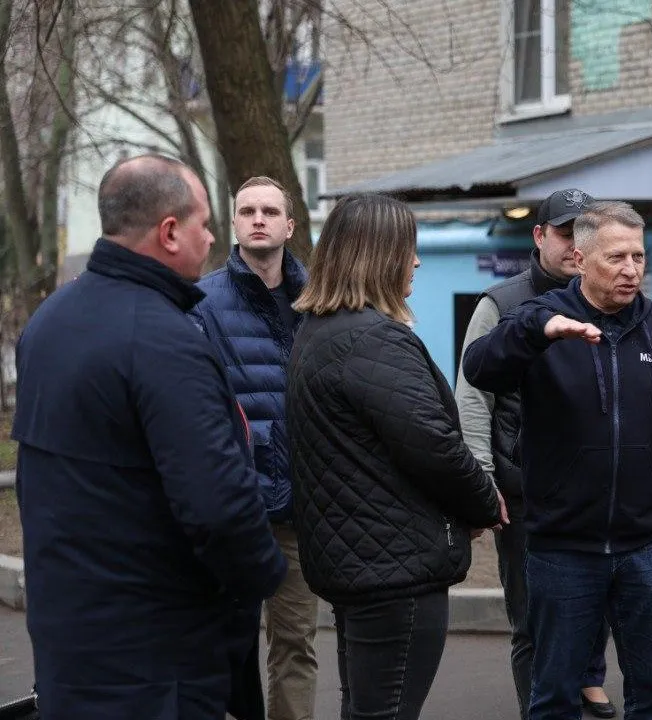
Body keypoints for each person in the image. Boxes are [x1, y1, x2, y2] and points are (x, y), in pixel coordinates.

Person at [11, 154, 287, 720]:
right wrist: (264, 573)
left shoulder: (49, 320)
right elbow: (217, 506)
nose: (212, 239)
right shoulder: (164, 341)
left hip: (71, 638)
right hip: (156, 658)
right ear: (168, 232)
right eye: (205, 224)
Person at [462, 200, 652, 720]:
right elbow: (479, 368)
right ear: (579, 258)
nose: (631, 270)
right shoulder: (536, 318)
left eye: (639, 257)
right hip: (562, 547)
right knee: (552, 696)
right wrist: (537, 333)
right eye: (616, 257)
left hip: (648, 544)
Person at [287, 192, 504, 720]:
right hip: (394, 569)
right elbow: (433, 446)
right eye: (409, 249)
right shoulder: (372, 340)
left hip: (358, 561)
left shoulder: (319, 331)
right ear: (379, 254)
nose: (417, 261)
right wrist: (483, 502)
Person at [455, 189, 617, 719]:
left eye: (585, 233)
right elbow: (474, 400)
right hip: (525, 491)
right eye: (567, 233)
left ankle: (587, 682)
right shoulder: (501, 304)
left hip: (598, 489)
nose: (577, 245)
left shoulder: (611, 298)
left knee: (596, 602)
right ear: (539, 236)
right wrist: (483, 482)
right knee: (532, 619)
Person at [192, 176, 318, 720]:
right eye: (248, 211)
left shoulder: (320, 298)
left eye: (270, 210)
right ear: (234, 224)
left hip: (299, 510)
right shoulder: (201, 302)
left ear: (290, 225)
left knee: (296, 645)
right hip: (234, 509)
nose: (259, 219)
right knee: (228, 647)